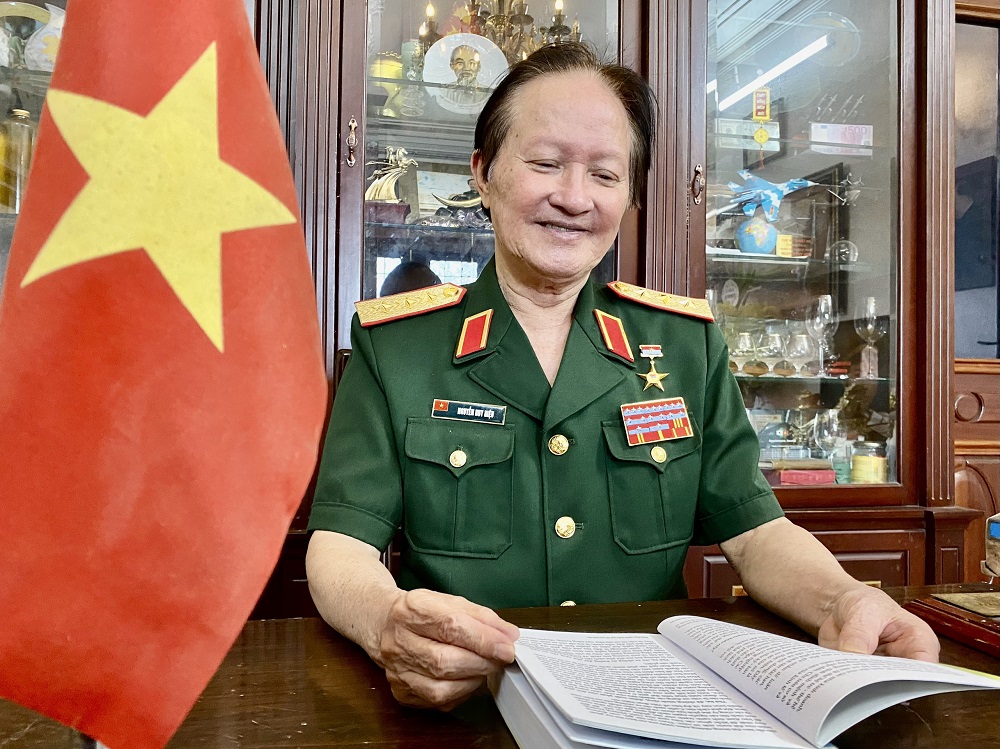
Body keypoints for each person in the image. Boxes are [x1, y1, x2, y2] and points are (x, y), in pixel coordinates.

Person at [306, 42, 938, 712]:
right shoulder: (397, 347)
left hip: (649, 706)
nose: (573, 197)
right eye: (545, 163)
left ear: (630, 195)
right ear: (483, 173)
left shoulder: (683, 345)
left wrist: (843, 600)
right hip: (468, 707)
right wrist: (386, 623)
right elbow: (341, 544)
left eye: (605, 174)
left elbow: (756, 533)